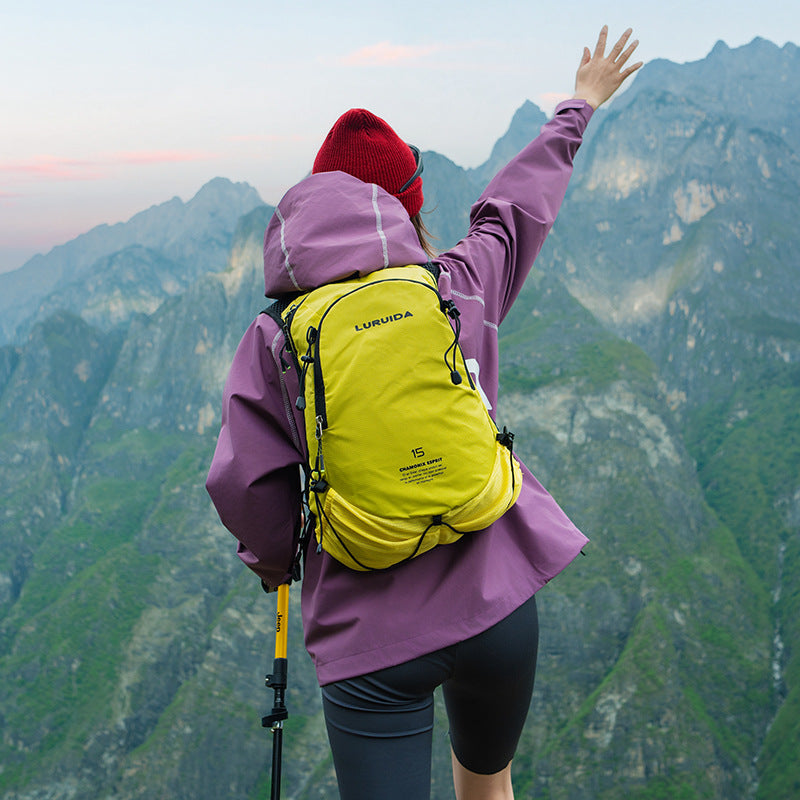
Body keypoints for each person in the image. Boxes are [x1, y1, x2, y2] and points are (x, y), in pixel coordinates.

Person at [207, 26, 642, 800]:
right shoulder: (459, 282)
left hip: (372, 643)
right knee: (489, 786)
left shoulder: (276, 337)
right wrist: (578, 106)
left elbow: (244, 488)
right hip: (498, 607)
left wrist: (276, 562)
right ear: (405, 210)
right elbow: (516, 205)